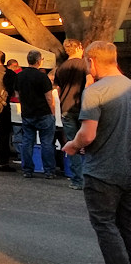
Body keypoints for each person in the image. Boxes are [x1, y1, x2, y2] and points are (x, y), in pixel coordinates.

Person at [61, 41, 131, 264]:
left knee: (104, 224)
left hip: (102, 170)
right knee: (126, 224)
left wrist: (72, 145)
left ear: (91, 62)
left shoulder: (96, 91)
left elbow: (87, 135)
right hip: (127, 167)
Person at [54, 39, 92, 190]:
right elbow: (89, 83)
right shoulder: (85, 65)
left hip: (66, 108)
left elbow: (57, 90)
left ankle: (77, 180)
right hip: (84, 107)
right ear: (80, 47)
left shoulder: (61, 68)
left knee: (72, 143)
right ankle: (91, 177)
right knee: (90, 141)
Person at [16, 49, 58, 179]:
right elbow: (49, 98)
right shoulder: (42, 77)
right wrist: (52, 113)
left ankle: (27, 169)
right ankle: (49, 170)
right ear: (39, 61)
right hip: (43, 113)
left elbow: (17, 95)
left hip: (27, 112)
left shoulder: (20, 76)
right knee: (46, 142)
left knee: (27, 141)